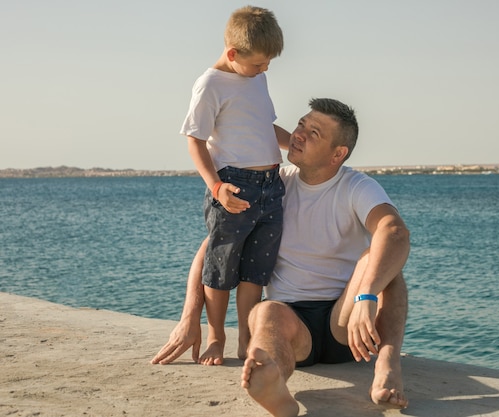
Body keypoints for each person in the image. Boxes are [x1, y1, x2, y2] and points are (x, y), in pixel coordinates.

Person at [152, 98, 410, 414]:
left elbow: (394, 231)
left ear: (337, 154)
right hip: (291, 323)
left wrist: (366, 296)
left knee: (383, 261)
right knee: (265, 313)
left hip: (345, 322)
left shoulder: (356, 186)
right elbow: (214, 247)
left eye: (313, 132)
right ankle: (272, 380)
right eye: (301, 124)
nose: (298, 134)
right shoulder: (272, 186)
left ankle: (387, 361)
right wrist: (190, 316)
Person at [180, 5, 291, 365]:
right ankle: (216, 336)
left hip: (272, 186)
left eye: (268, 63)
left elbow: (263, 125)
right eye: (259, 63)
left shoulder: (256, 77)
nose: (265, 69)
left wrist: (300, 147)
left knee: (255, 270)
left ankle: (248, 338)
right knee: (221, 267)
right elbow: (194, 139)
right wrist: (216, 187)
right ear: (233, 53)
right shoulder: (210, 84)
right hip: (234, 188)